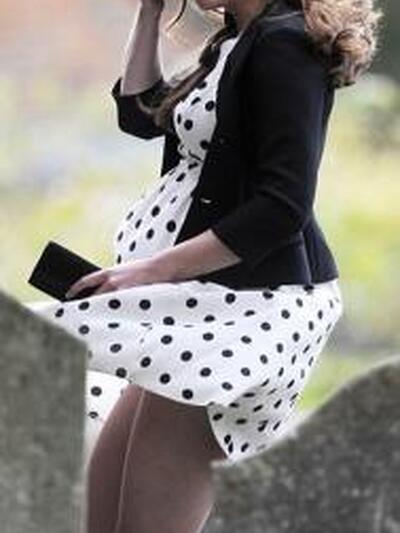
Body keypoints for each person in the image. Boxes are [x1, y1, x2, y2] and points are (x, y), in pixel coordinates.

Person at [24, 0, 382, 531]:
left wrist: (151, 272)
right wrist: (149, 13)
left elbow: (282, 206)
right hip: (191, 305)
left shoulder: (284, 45)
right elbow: (138, 113)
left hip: (240, 309)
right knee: (102, 509)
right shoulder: (234, 42)